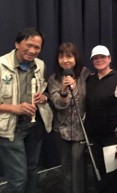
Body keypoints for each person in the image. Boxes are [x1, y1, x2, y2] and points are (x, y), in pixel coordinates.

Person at [0, 27, 53, 193]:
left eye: (37, 47)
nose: (32, 51)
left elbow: (43, 90)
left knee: (32, 171)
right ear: (17, 43)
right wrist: (15, 108)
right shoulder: (1, 65)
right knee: (17, 179)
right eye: (28, 45)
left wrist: (44, 97)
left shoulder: (40, 65)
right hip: (10, 129)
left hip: (34, 126)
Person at [84, 45, 117, 193]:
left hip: (112, 138)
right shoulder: (90, 80)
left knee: (114, 177)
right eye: (95, 58)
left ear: (109, 58)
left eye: (102, 57)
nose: (99, 60)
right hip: (95, 138)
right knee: (99, 174)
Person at [48, 42, 90, 193]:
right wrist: (64, 90)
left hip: (81, 130)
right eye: (61, 56)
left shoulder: (85, 74)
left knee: (78, 169)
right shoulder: (54, 78)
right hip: (62, 131)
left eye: (69, 56)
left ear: (76, 58)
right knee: (66, 170)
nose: (65, 60)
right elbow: (58, 103)